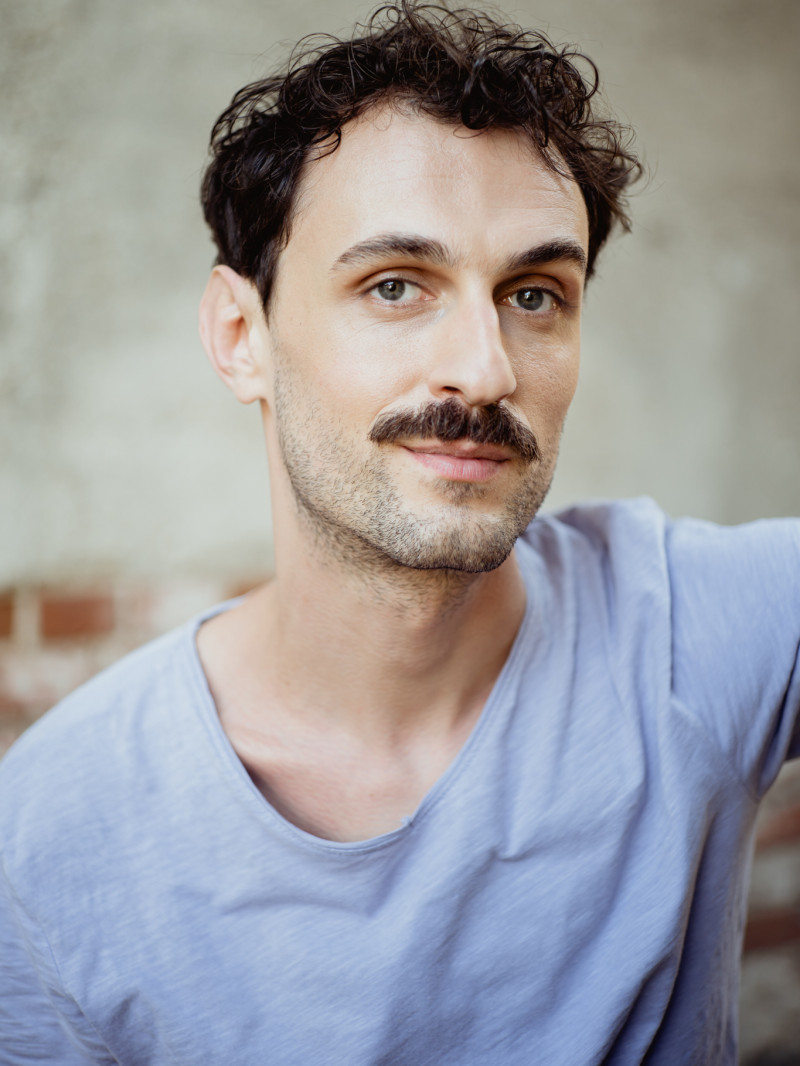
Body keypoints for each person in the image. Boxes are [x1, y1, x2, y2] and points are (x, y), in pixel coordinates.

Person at [1, 3, 798, 1063]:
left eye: (533, 294)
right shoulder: (54, 828)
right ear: (240, 336)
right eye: (393, 286)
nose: (485, 368)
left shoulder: (688, 634)